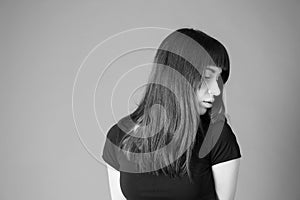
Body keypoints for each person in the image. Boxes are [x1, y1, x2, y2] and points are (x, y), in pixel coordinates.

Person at [102, 28, 242, 200]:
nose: (216, 90)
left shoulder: (217, 137)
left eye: (219, 79)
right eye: (207, 77)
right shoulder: (119, 137)